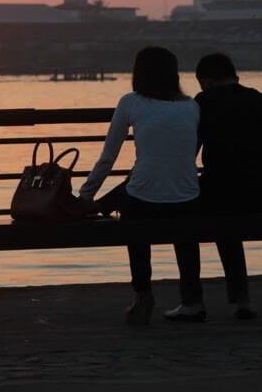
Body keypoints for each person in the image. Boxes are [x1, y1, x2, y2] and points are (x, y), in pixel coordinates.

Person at [79, 46, 202, 325]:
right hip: (188, 198)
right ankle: (194, 300)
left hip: (142, 201)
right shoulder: (192, 105)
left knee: (135, 223)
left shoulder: (131, 102)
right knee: (185, 237)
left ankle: (142, 295)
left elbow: (107, 157)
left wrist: (85, 193)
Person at [166, 53, 262, 321]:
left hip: (218, 192)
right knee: (228, 224)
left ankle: (192, 301)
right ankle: (243, 300)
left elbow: (188, 154)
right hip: (259, 194)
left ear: (206, 81)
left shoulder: (204, 102)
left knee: (182, 218)